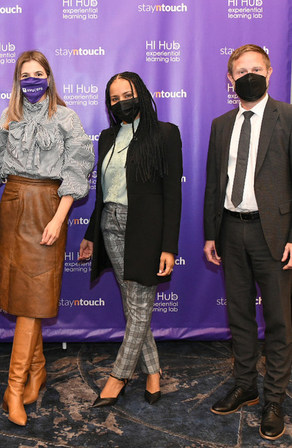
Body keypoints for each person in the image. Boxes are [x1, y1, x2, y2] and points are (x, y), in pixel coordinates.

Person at [0, 50, 94, 426]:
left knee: (33, 300)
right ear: (17, 80)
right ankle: (38, 371)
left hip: (49, 207)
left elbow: (78, 166)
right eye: (25, 74)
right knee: (21, 297)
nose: (32, 80)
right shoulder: (8, 117)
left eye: (38, 73)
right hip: (13, 204)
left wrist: (59, 217)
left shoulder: (66, 117)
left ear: (49, 77)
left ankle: (13, 389)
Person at [203, 44, 292, 441]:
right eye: (241, 70)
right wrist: (210, 233)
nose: (248, 75)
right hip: (230, 231)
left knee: (278, 320)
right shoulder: (221, 124)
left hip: (273, 234)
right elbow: (212, 184)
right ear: (230, 78)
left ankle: (274, 399)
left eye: (256, 68)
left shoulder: (287, 117)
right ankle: (246, 386)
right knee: (239, 315)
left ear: (270, 72)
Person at [79, 72, 183, 408]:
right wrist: (90, 235)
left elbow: (173, 196)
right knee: (133, 307)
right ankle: (153, 372)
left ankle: (118, 376)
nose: (121, 102)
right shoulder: (108, 137)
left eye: (127, 94)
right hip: (110, 225)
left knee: (138, 309)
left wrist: (169, 246)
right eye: (114, 98)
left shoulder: (165, 134)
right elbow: (103, 193)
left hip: (146, 231)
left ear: (140, 94)